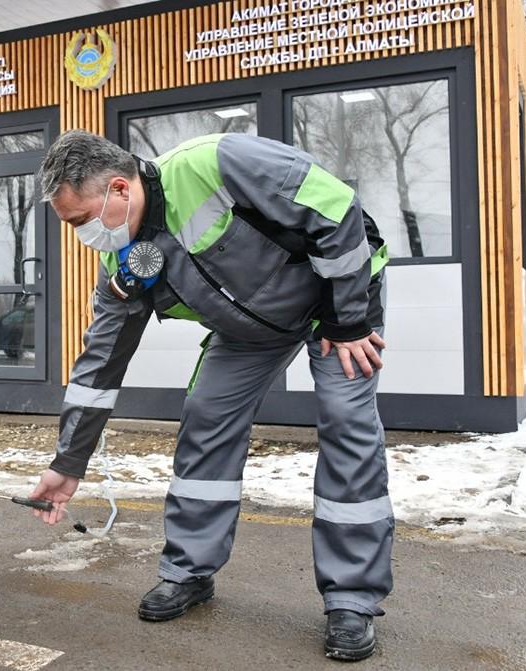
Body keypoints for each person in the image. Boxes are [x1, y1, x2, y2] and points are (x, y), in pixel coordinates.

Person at [29, 130, 391, 662]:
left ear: (120, 190)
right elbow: (99, 368)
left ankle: (351, 600)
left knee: (345, 422)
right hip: (250, 332)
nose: (81, 235)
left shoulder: (216, 163)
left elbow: (337, 209)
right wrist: (69, 461)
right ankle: (189, 572)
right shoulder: (126, 262)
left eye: (80, 220)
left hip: (336, 304)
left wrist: (351, 319)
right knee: (205, 418)